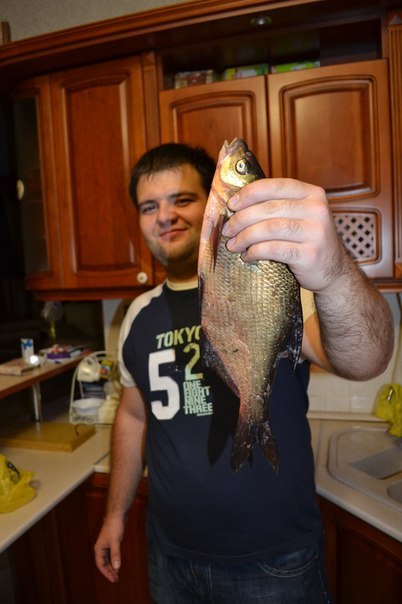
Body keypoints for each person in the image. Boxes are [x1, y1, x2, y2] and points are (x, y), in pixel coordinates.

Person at [94, 142, 393, 603]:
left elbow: (366, 360)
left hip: (274, 560)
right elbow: (133, 418)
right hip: (170, 555)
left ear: (216, 205)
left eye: (182, 199)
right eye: (149, 206)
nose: (165, 216)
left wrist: (333, 273)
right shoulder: (136, 315)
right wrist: (115, 515)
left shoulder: (276, 282)